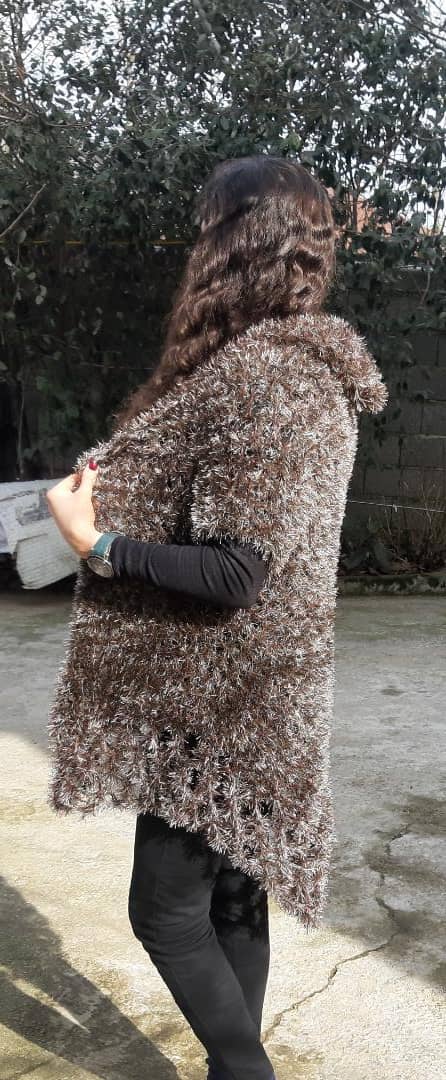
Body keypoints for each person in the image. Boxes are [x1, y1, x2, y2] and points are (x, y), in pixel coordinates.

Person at [46, 154, 388, 1080]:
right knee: (236, 895)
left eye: (206, 230)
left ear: (234, 244)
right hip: (265, 687)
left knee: (163, 912)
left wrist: (96, 542)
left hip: (221, 696)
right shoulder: (300, 369)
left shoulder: (266, 378)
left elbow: (238, 569)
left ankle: (246, 1072)